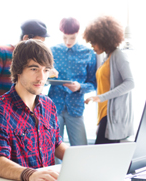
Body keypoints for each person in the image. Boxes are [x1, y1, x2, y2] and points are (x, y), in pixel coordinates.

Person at [0, 39, 68, 181]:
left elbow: (56, 145)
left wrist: (83, 160)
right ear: (18, 70)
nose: (41, 77)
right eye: (34, 69)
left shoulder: (49, 105)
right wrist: (31, 175)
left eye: (46, 70)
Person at [83, 16, 135, 144]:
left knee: (101, 158)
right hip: (105, 117)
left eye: (94, 43)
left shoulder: (118, 55)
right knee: (102, 158)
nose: (93, 47)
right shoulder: (107, 58)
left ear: (104, 39)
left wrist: (101, 97)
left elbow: (130, 83)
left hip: (112, 118)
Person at [48, 17, 97, 146]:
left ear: (78, 34)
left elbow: (93, 84)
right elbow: (43, 78)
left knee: (80, 148)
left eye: (72, 38)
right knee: (51, 150)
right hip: (54, 106)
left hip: (75, 107)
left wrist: (80, 87)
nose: (68, 41)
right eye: (65, 38)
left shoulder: (88, 53)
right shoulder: (51, 51)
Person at [0, 19, 54, 105]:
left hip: (27, 111)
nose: (41, 47)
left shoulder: (37, 60)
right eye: (38, 42)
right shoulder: (1, 52)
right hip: (5, 111)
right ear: (26, 38)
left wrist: (48, 73)